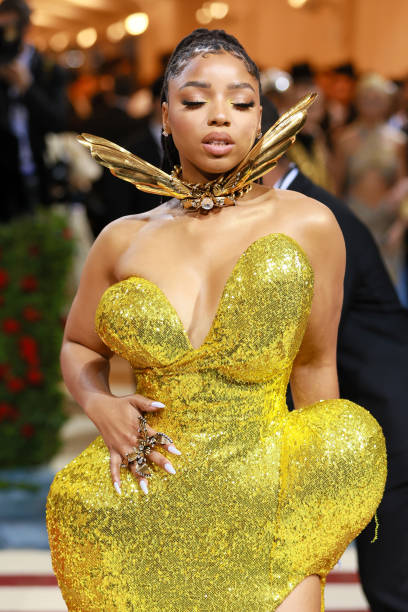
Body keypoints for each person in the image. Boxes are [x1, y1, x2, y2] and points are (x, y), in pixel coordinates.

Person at [46, 29, 386, 611]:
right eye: (197, 100)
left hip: (269, 506)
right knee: (76, 505)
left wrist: (316, 515)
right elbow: (79, 346)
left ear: (260, 117)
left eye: (242, 101)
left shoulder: (310, 224)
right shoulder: (123, 239)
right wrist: (101, 405)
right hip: (144, 500)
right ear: (166, 115)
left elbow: (315, 368)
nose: (220, 115)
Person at [261, 95, 408, 612]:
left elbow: (301, 339)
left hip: (385, 412)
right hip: (358, 407)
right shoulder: (289, 207)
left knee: (393, 587)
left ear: (272, 147)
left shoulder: (311, 216)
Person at [0, 0, 67, 221]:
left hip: (43, 175)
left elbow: (59, 121)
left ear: (27, 27)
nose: (7, 35)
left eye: (12, 28)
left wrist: (27, 88)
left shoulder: (48, 69)